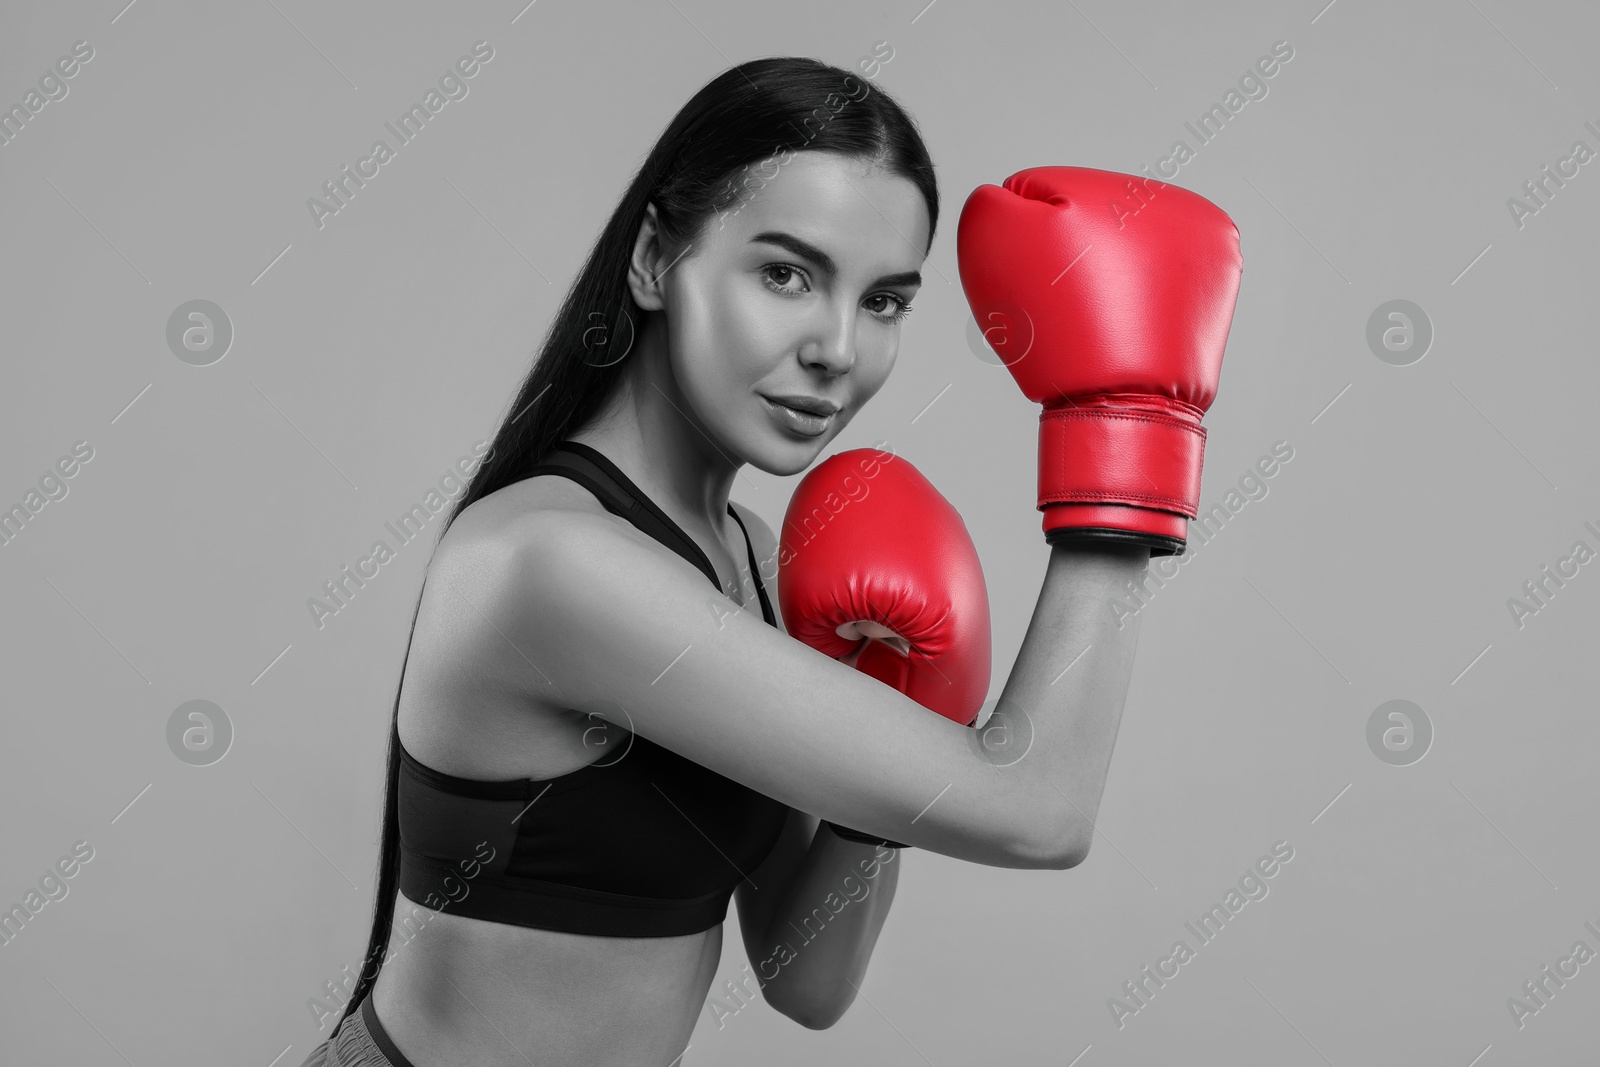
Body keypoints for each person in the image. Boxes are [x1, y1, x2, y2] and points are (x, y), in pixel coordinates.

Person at [300, 55, 1238, 1067]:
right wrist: (1124, 431)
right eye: (786, 272)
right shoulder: (548, 561)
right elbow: (1039, 812)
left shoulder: (742, 552)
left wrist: (894, 722)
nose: (836, 346)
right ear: (657, 258)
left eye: (883, 300)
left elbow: (808, 976)